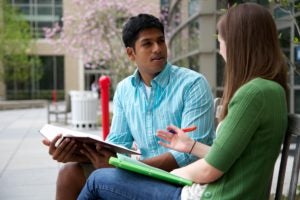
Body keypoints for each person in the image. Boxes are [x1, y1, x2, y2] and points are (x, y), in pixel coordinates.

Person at [77, 3, 289, 200]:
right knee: (80, 174)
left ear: (238, 44)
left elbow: (209, 169)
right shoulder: (270, 89)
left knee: (98, 180)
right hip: (212, 189)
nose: (220, 48)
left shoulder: (251, 94)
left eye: (221, 41)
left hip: (207, 195)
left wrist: (171, 175)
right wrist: (191, 145)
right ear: (131, 53)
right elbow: (230, 155)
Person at [42, 13, 215, 200]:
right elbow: (117, 145)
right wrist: (76, 153)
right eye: (147, 44)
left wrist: (129, 169)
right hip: (143, 174)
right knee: (69, 174)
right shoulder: (125, 89)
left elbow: (191, 155)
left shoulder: (192, 84)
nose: (157, 48)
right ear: (131, 53)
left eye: (161, 41)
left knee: (101, 178)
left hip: (183, 179)